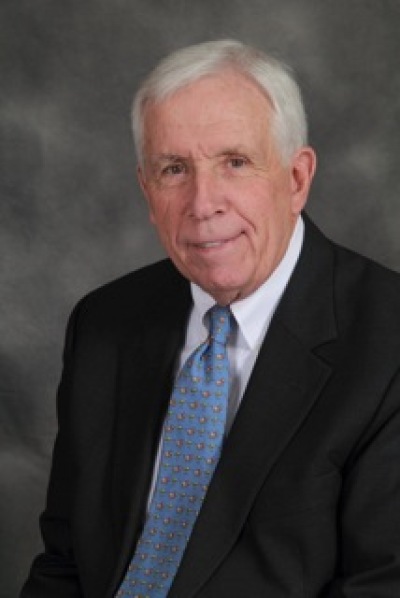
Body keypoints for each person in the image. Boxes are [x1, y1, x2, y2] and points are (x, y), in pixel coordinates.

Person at [21, 39, 400, 597]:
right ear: (148, 193)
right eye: (174, 169)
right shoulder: (104, 326)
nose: (203, 203)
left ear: (296, 178)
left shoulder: (387, 342)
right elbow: (65, 565)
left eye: (236, 162)